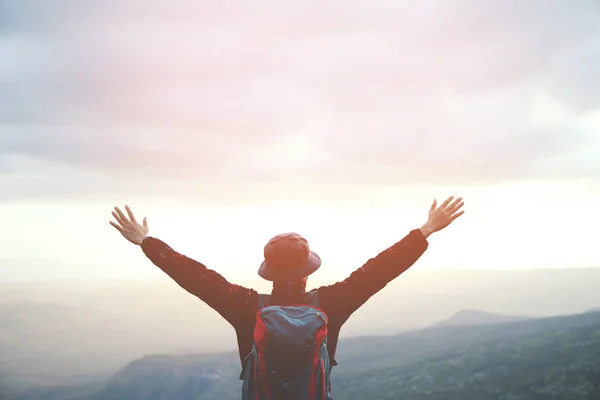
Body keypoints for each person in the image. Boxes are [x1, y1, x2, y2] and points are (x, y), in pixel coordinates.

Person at [109, 196, 464, 399]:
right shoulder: (330, 304)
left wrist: (146, 242)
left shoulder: (246, 306)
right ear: (307, 270)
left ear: (268, 270)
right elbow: (379, 270)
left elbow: (197, 277)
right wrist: (425, 230)